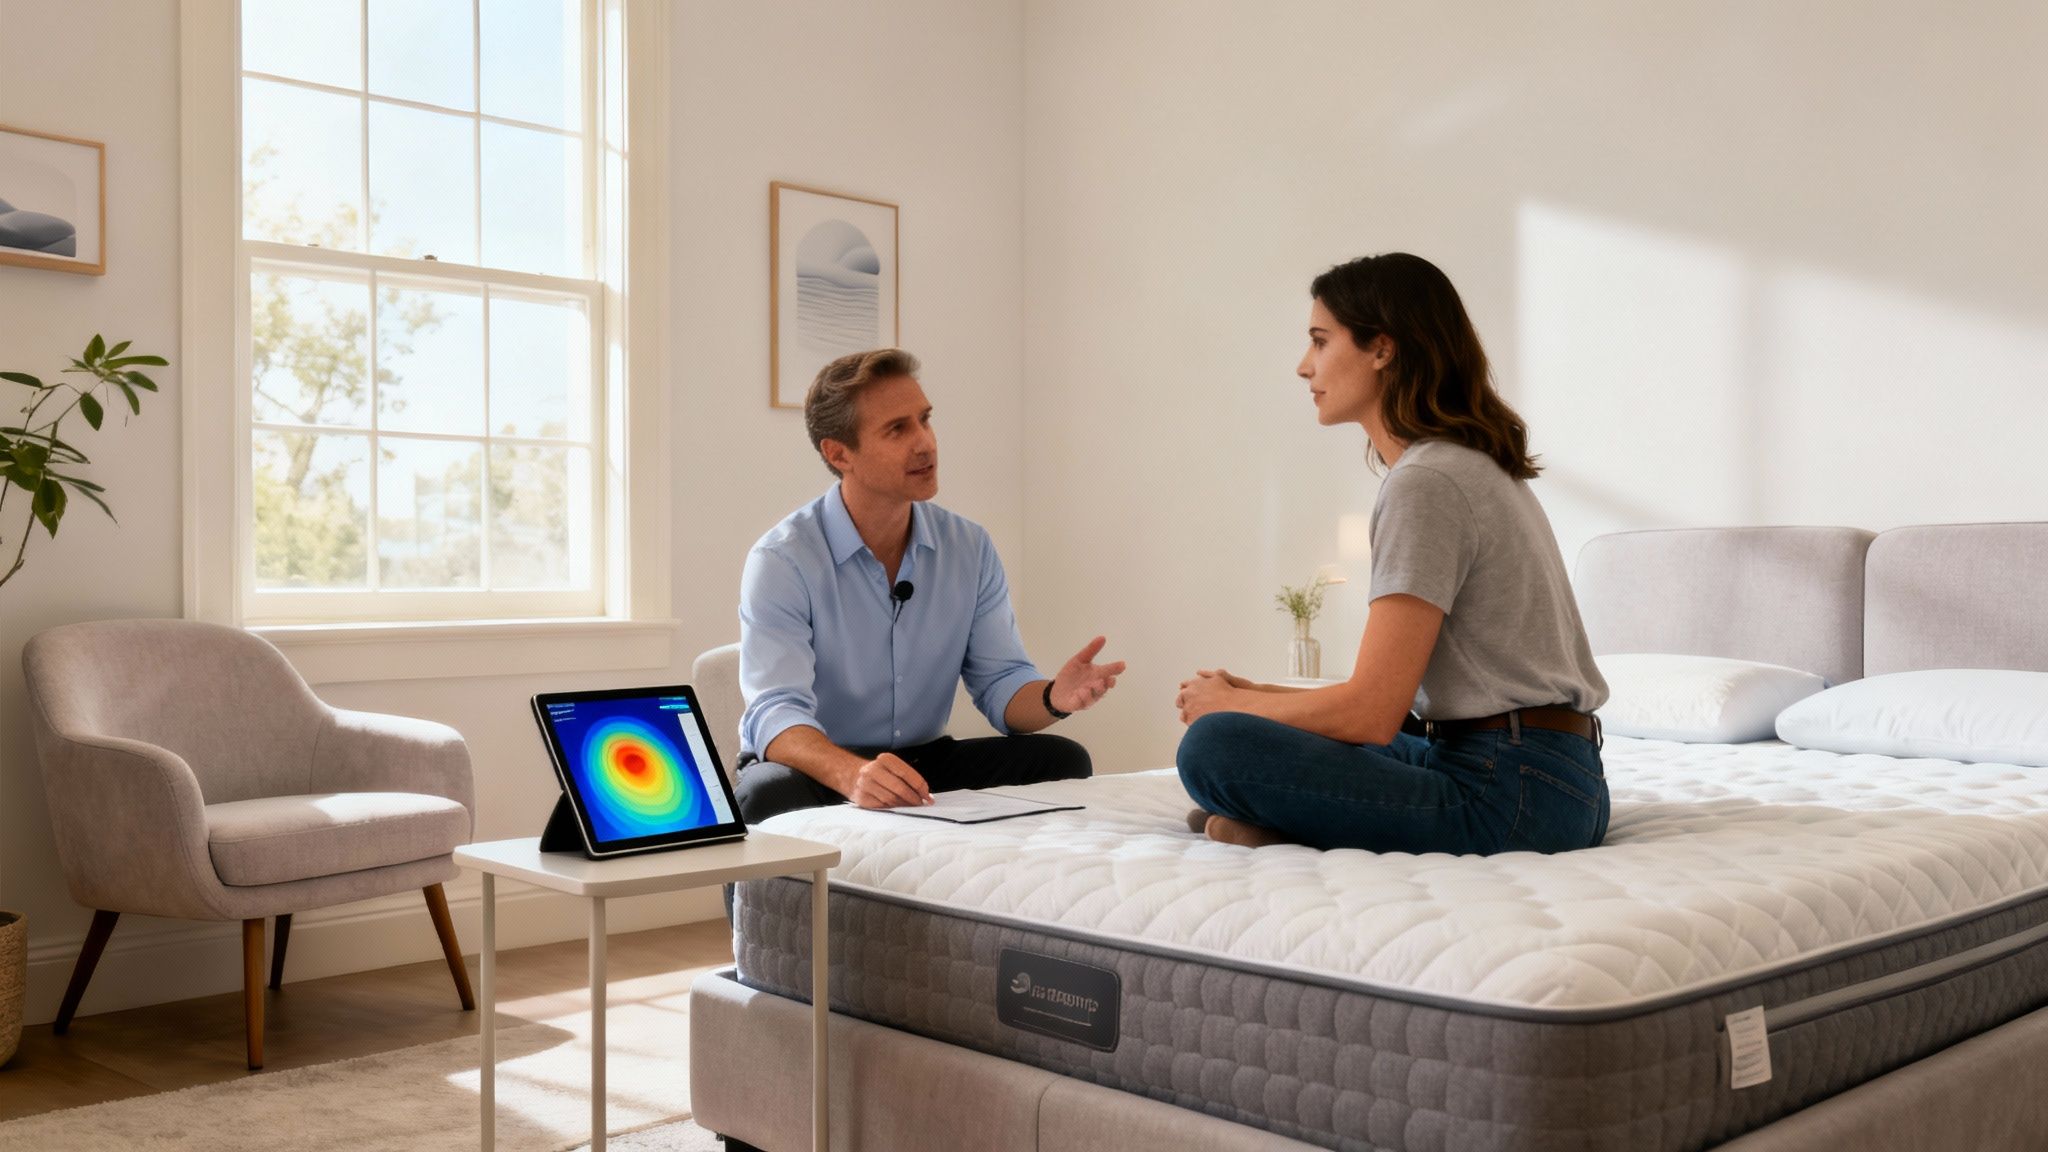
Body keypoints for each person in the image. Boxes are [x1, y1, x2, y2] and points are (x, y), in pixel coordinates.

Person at [1174, 253, 1610, 854]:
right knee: (1252, 731)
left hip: (1510, 795)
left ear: (1382, 348)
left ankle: (1276, 822)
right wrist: (1259, 697)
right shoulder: (1468, 465)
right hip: (1548, 778)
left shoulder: (1427, 481)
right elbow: (1394, 713)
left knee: (1214, 746)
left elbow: (1372, 713)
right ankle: (1274, 823)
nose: (1305, 367)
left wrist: (1232, 707)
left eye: (1321, 342)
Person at [736, 348, 1124, 825]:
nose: (925, 443)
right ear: (839, 453)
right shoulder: (782, 560)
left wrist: (1052, 698)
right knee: (765, 795)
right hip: (822, 766)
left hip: (923, 764)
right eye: (898, 429)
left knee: (1062, 760)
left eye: (925, 420)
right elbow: (775, 713)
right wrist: (855, 775)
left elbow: (1001, 685)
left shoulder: (969, 546)